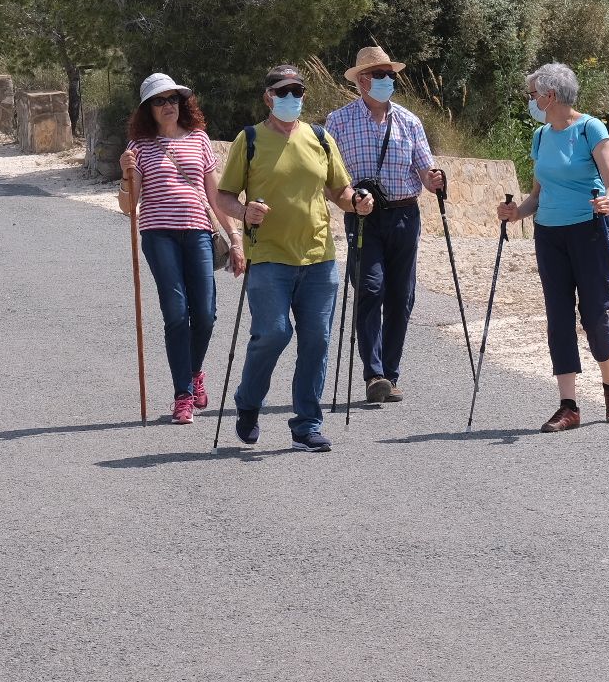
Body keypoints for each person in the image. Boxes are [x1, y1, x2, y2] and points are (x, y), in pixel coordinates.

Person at [213, 64, 373, 452]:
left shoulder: (320, 137)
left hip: (318, 256)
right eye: (283, 92)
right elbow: (224, 196)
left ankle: (306, 424)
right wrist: (244, 212)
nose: (291, 99)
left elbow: (339, 190)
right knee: (273, 333)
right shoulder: (249, 139)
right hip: (268, 255)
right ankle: (249, 402)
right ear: (268, 97)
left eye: (297, 92)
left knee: (316, 339)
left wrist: (357, 203)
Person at [496, 62, 609, 432]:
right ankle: (568, 405)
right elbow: (537, 195)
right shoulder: (540, 137)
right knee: (558, 317)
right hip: (549, 235)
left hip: (589, 230)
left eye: (535, 93)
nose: (532, 100)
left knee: (595, 315)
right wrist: (515, 212)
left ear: (551, 96)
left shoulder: (590, 128)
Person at [324, 45, 445, 404]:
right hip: (363, 216)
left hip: (405, 214)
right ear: (362, 80)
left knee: (401, 297)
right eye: (381, 75)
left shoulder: (409, 121)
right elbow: (330, 177)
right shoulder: (339, 121)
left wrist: (435, 178)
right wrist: (348, 199)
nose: (388, 80)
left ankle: (390, 374)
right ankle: (374, 373)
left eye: (391, 75)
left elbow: (424, 169)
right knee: (369, 289)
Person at [116, 73, 229, 425]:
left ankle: (194, 373)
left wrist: (236, 240)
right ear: (147, 109)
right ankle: (183, 394)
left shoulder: (198, 139)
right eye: (159, 101)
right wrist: (125, 176)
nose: (168, 106)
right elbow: (128, 207)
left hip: (198, 231)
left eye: (173, 99)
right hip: (158, 235)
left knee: (206, 313)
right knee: (176, 313)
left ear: (183, 103)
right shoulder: (138, 148)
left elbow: (216, 195)